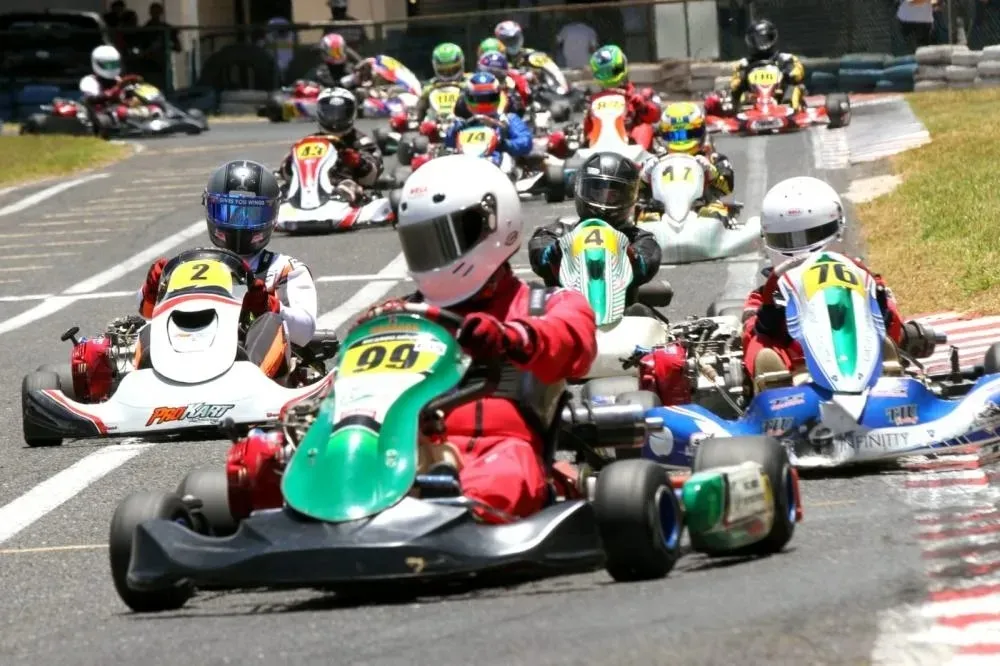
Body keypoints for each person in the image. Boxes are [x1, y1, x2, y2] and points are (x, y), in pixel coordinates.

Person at [365, 154, 598, 521]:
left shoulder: (543, 305)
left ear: (494, 224)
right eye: (423, 242)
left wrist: (511, 338)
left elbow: (573, 344)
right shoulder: (400, 314)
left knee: (501, 479)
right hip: (400, 450)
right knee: (266, 463)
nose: (434, 254)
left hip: (498, 450)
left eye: (444, 239)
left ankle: (439, 509)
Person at [741, 177, 937, 389]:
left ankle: (887, 367)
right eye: (786, 240)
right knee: (759, 344)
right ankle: (772, 383)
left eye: (811, 235)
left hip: (861, 359)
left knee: (885, 334)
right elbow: (750, 330)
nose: (799, 248)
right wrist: (768, 318)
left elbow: (894, 321)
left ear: (837, 228)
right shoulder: (765, 294)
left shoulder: (862, 278)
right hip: (796, 370)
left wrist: (880, 306)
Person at [136, 160, 317, 380]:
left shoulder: (284, 269)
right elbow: (145, 311)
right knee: (150, 327)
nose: (239, 224)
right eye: (227, 211)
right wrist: (153, 287)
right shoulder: (190, 265)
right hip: (192, 346)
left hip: (251, 364)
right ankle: (149, 381)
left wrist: (268, 306)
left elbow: (305, 332)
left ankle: (249, 379)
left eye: (252, 214)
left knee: (270, 323)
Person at [529, 152, 661, 308]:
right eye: (597, 193)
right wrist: (560, 249)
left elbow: (645, 265)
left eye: (613, 196)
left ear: (629, 196)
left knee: (643, 312)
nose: (603, 202)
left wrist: (626, 254)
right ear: (581, 189)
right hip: (565, 316)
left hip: (623, 321)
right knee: (533, 303)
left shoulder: (639, 239)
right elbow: (540, 259)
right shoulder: (555, 233)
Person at [275, 88, 381, 205]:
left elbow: (371, 177)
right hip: (309, 184)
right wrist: (292, 160)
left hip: (342, 183)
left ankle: (343, 197)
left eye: (341, 113)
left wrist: (356, 160)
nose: (335, 119)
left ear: (351, 114)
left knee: (349, 186)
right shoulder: (309, 142)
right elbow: (286, 175)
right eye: (330, 113)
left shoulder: (361, 142)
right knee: (279, 186)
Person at [640, 102, 735, 224]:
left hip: (703, 209)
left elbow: (728, 188)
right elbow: (632, 194)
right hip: (661, 212)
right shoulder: (653, 163)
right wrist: (643, 178)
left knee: (714, 213)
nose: (681, 140)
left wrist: (713, 174)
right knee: (645, 218)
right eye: (675, 136)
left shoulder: (713, 159)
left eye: (688, 134)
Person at [584, 44, 661, 150]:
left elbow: (655, 115)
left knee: (644, 127)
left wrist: (642, 105)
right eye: (603, 73)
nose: (609, 76)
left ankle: (637, 163)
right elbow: (587, 132)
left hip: (632, 146)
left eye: (613, 71)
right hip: (602, 147)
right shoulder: (594, 102)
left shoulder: (641, 95)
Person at [445, 72, 533, 161]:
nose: (484, 103)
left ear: (498, 96)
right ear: (467, 98)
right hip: (468, 166)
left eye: (489, 98)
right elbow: (446, 144)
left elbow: (526, 142)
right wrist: (453, 132)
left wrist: (504, 144)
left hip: (499, 168)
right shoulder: (461, 123)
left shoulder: (508, 119)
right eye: (478, 99)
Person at [725, 19, 806, 112]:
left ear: (772, 38)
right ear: (751, 41)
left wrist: (789, 73)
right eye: (758, 40)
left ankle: (791, 111)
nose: (762, 42)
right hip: (754, 99)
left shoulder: (785, 59)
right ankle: (744, 114)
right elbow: (734, 84)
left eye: (765, 39)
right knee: (742, 95)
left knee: (794, 88)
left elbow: (798, 72)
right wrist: (741, 79)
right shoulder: (744, 63)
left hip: (780, 96)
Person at [79, 45, 161, 127]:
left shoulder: (117, 79)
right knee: (120, 111)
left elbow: (124, 93)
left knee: (151, 106)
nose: (111, 68)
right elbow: (91, 99)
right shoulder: (89, 80)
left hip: (121, 105)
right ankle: (137, 119)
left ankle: (158, 117)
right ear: (97, 63)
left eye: (114, 64)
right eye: (108, 65)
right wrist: (112, 92)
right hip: (102, 110)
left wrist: (132, 90)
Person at [412, 43, 470, 123]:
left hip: (464, 123)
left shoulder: (470, 80)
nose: (449, 75)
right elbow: (417, 109)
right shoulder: (430, 85)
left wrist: (469, 88)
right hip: (435, 125)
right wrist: (424, 95)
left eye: (453, 70)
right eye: (444, 71)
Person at [475, 51, 529, 116]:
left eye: (498, 77)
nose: (492, 81)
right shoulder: (468, 93)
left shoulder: (512, 97)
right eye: (487, 75)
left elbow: (520, 119)